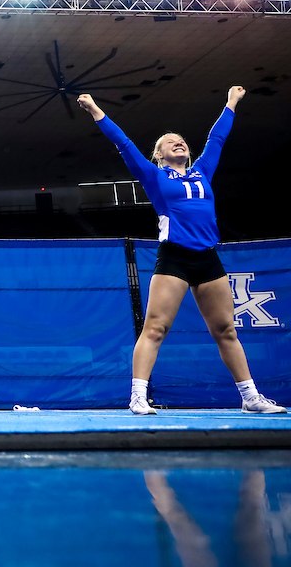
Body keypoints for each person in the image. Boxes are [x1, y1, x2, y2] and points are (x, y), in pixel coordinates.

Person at [79, 88, 285, 415]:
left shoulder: (203, 170)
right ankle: (137, 396)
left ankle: (250, 398)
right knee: (155, 328)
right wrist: (94, 110)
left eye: (182, 140)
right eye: (169, 141)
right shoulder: (154, 175)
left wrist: (231, 103)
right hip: (174, 257)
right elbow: (123, 143)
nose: (179, 142)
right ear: (158, 155)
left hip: (208, 258)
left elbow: (217, 139)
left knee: (226, 330)